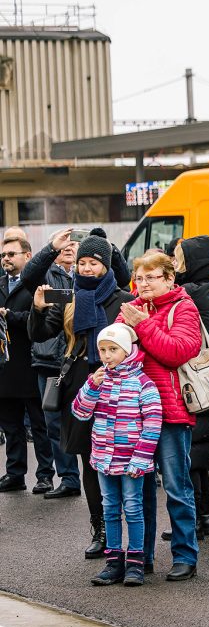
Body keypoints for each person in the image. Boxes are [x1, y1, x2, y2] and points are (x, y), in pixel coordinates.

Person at [29, 234, 135, 559]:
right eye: (82, 263)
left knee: (127, 462)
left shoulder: (124, 299)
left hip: (119, 389)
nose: (87, 269)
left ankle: (131, 533)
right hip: (80, 388)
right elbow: (39, 333)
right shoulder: (69, 298)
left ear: (105, 264)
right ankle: (101, 529)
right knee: (90, 461)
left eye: (94, 263)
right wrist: (36, 309)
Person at [117, 251, 203, 582]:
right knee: (139, 490)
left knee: (176, 486)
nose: (144, 283)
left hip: (171, 412)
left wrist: (143, 325)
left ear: (169, 278)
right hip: (134, 412)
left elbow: (176, 352)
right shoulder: (132, 309)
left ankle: (185, 556)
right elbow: (114, 350)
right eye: (139, 277)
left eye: (151, 276)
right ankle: (142, 556)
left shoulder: (184, 307)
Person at [71, 323, 162, 587]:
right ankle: (113, 562)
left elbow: (153, 423)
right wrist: (90, 387)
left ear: (127, 350)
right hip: (103, 458)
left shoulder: (143, 383)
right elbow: (80, 412)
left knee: (133, 509)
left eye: (113, 349)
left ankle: (136, 562)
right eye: (102, 350)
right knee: (109, 508)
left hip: (132, 461)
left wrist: (142, 458)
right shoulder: (99, 379)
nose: (107, 355)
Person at [171, 236, 209, 535]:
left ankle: (194, 519)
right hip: (203, 379)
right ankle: (203, 517)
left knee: (190, 454)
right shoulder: (207, 288)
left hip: (189, 379)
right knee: (199, 454)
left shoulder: (188, 292)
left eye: (180, 259)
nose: (176, 264)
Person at [23, 232, 80, 498]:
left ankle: (98, 472)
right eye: (64, 245)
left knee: (89, 420)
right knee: (54, 424)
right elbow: (29, 277)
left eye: (74, 245)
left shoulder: (85, 272)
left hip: (78, 360)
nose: (70, 248)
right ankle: (68, 478)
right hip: (49, 362)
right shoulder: (46, 273)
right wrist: (50, 247)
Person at [0, 234, 55, 494]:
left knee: (39, 425)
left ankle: (45, 475)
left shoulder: (38, 284)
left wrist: (11, 316)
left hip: (32, 363)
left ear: (27, 256)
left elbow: (44, 318)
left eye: (11, 254)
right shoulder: (0, 284)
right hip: (5, 367)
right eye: (3, 255)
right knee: (11, 426)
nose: (6, 259)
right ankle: (15, 473)